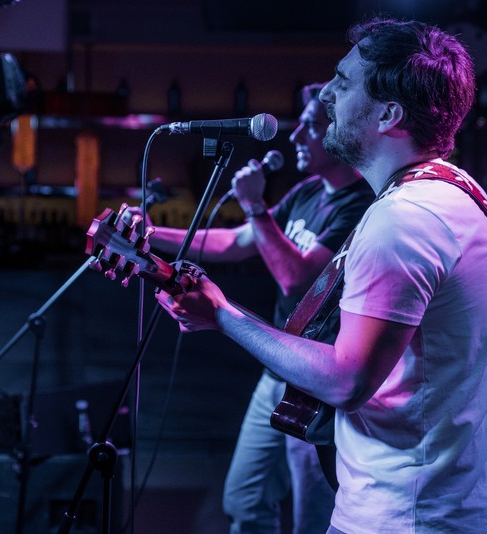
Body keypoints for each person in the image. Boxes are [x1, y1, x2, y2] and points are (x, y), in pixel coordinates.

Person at [156, 17, 487, 534]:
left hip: (405, 519)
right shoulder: (458, 192)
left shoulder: (404, 219)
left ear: (388, 115)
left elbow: (347, 380)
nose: (327, 95)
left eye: (343, 82)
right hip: (447, 514)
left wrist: (221, 314)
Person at [140, 84, 374, 533]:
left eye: (311, 126)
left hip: (316, 379)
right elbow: (236, 242)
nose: (297, 136)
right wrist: (152, 234)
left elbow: (298, 278)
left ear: (339, 133)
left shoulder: (359, 204)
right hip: (278, 364)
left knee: (312, 513)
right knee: (244, 498)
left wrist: (253, 205)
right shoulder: (308, 192)